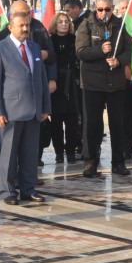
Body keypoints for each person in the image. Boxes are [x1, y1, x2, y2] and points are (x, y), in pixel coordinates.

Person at [0, 13, 53, 205]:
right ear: (10, 27)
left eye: (27, 25)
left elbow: (41, 79)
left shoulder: (34, 47)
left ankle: (28, 189)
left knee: (30, 153)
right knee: (8, 154)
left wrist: (45, 107)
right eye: (21, 26)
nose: (25, 29)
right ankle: (7, 191)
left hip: (33, 111)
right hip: (10, 111)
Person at [75, 0, 132, 179]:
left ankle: (118, 162)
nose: (104, 13)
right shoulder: (86, 24)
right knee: (92, 125)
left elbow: (129, 49)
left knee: (118, 124)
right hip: (92, 83)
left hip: (115, 83)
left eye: (108, 9)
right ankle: (90, 161)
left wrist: (119, 61)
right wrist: (101, 50)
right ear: (95, 8)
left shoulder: (120, 24)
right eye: (100, 9)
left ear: (113, 8)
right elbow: (81, 52)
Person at [45, 12, 81, 163]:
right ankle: (59, 152)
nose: (64, 24)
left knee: (72, 121)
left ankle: (71, 151)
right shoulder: (49, 40)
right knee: (56, 122)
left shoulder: (75, 40)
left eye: (66, 22)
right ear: (55, 24)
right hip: (55, 84)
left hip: (72, 84)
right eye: (60, 22)